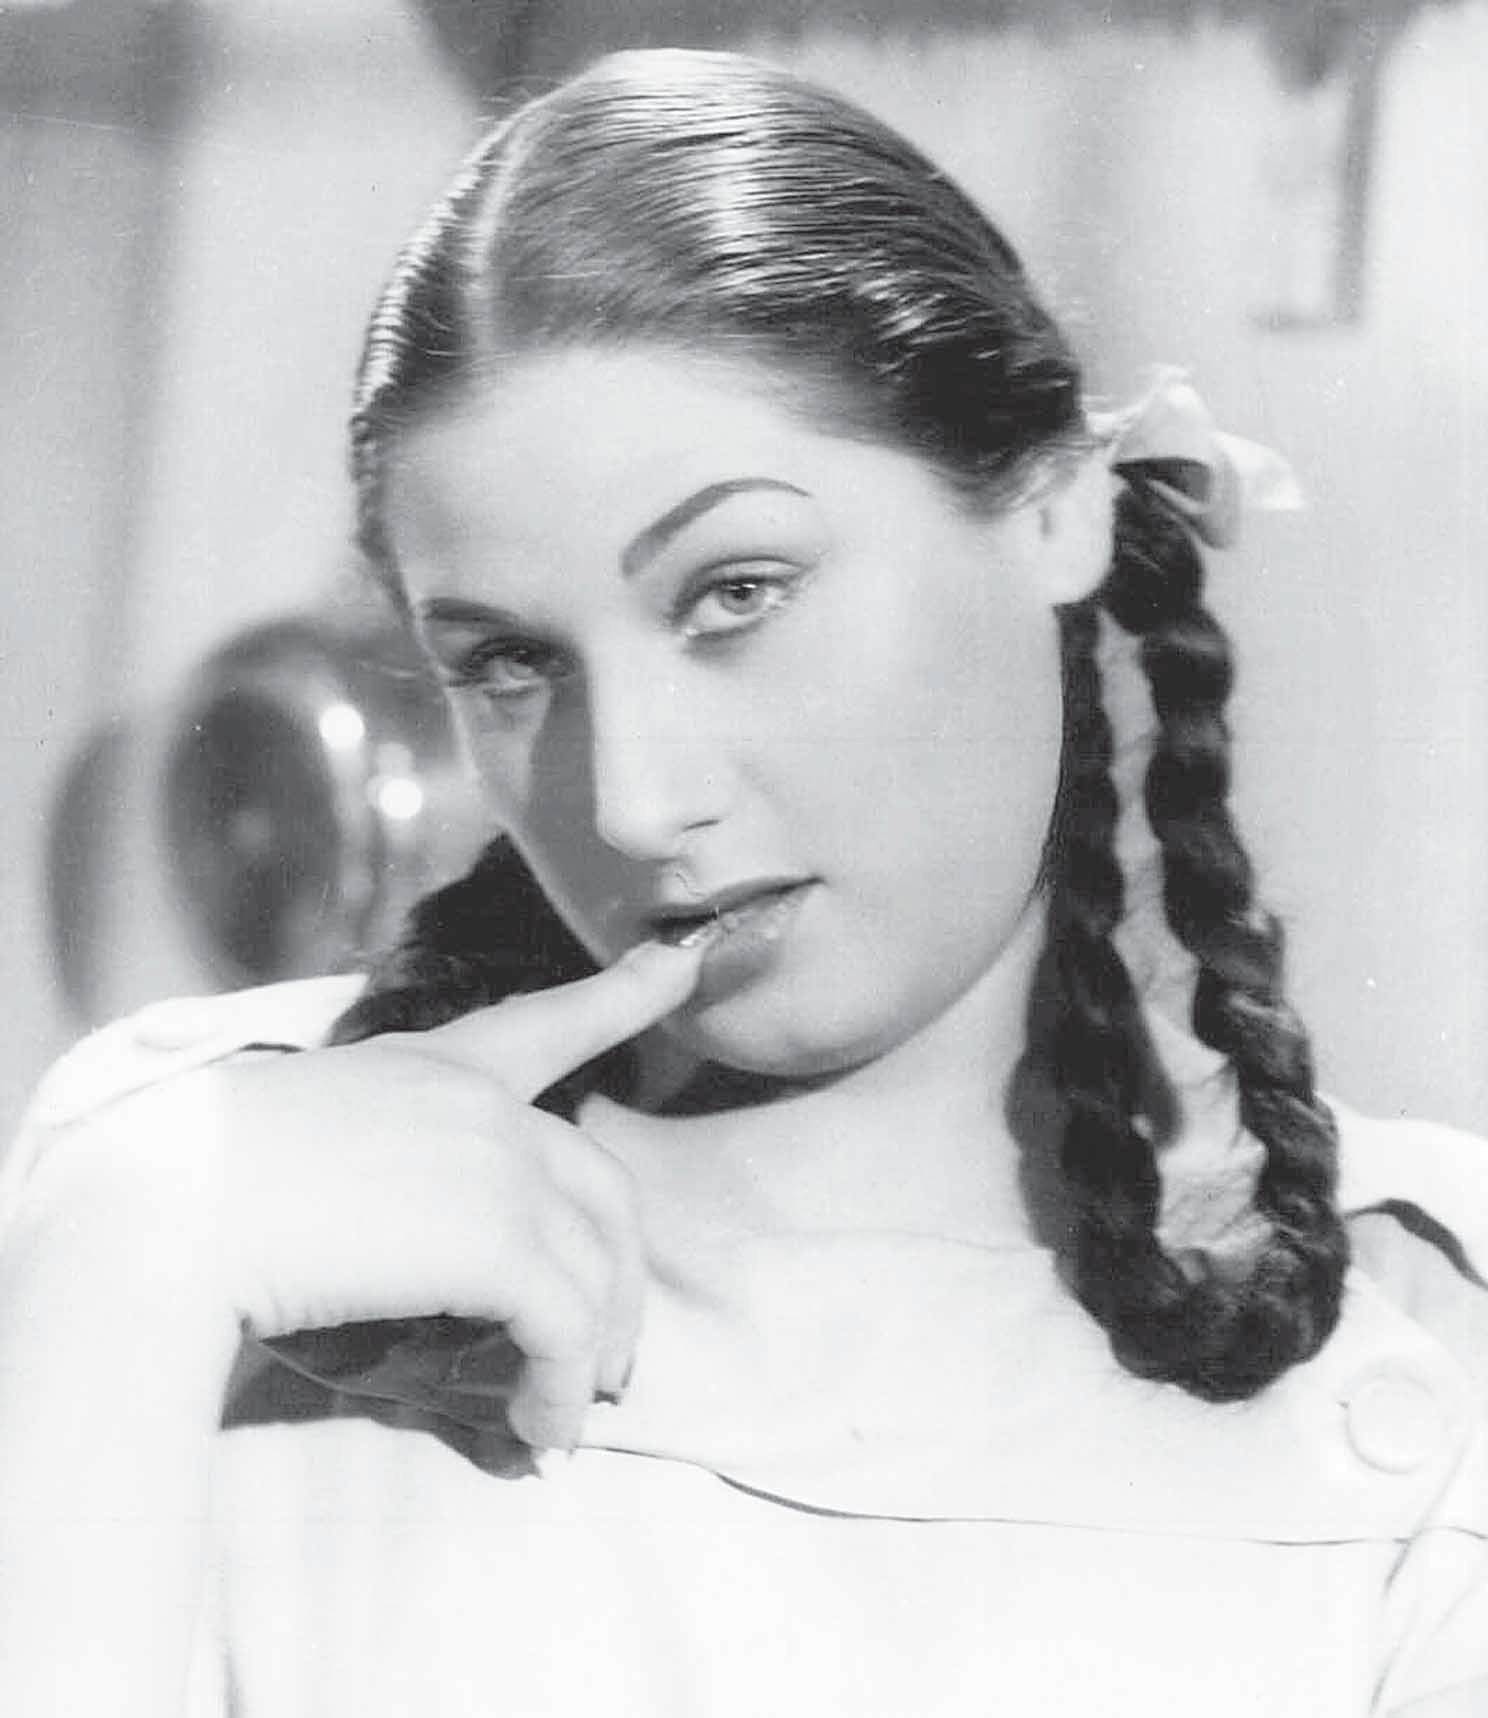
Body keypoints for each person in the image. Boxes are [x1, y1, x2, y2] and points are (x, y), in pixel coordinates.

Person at [1, 46, 1485, 1718]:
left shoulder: (1439, 1345)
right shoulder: (196, 1185)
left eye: (737, 592)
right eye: (509, 663)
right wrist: (134, 1247)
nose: (637, 800)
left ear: (1052, 508)